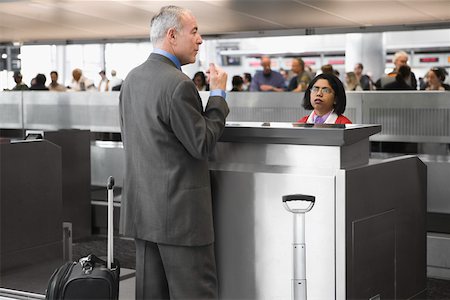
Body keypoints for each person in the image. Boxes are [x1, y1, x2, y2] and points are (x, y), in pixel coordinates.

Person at [119, 5, 229, 300]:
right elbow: (202, 143)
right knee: (195, 293)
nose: (200, 39)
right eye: (194, 31)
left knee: (151, 295)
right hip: (180, 218)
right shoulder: (178, 84)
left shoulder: (132, 79)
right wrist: (218, 96)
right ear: (171, 35)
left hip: (144, 213)